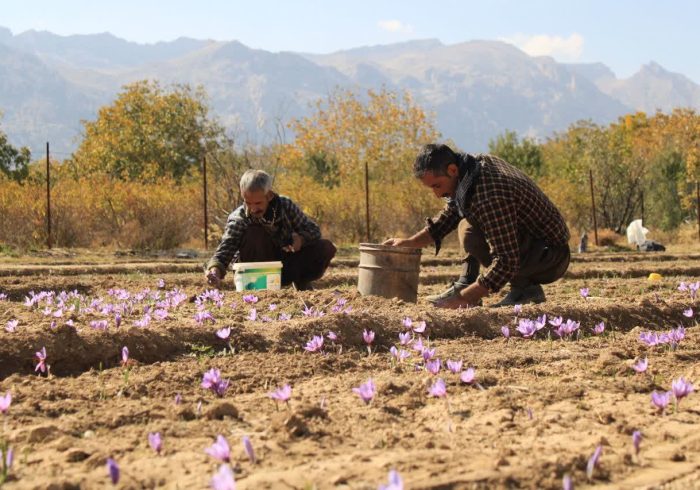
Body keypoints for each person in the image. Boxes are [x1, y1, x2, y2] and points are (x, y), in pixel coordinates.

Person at [383, 143, 570, 308]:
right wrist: (409, 243)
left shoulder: (490, 193)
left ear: (452, 170)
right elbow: (450, 215)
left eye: (437, 186)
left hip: (550, 256)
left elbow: (507, 261)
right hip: (536, 247)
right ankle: (469, 283)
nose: (437, 195)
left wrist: (464, 299)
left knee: (469, 230)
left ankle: (525, 289)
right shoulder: (472, 170)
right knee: (467, 224)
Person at [205, 169, 336, 290]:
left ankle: (301, 281)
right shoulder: (238, 218)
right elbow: (226, 247)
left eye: (258, 203)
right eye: (248, 203)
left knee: (325, 247)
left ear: (269, 196)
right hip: (255, 273)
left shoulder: (285, 206)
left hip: (284, 265)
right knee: (255, 232)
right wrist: (215, 270)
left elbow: (314, 230)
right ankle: (258, 290)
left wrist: (300, 239)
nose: (253, 209)